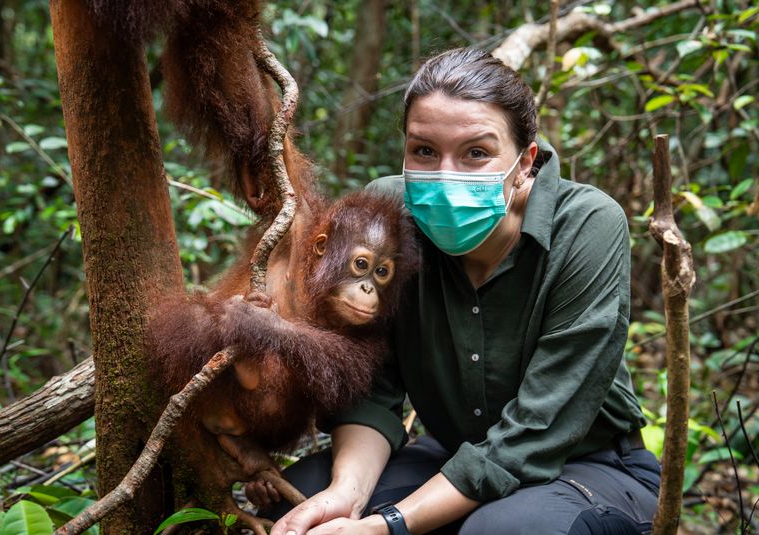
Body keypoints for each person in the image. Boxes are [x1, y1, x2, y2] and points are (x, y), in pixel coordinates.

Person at [248, 47, 661, 535]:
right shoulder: (388, 217)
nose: (446, 173)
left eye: (476, 153)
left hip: (585, 465)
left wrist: (390, 525)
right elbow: (373, 390)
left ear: (526, 162)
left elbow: (539, 430)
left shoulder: (588, 224)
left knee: (502, 530)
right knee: (299, 503)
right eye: (423, 151)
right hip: (450, 455)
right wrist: (347, 496)